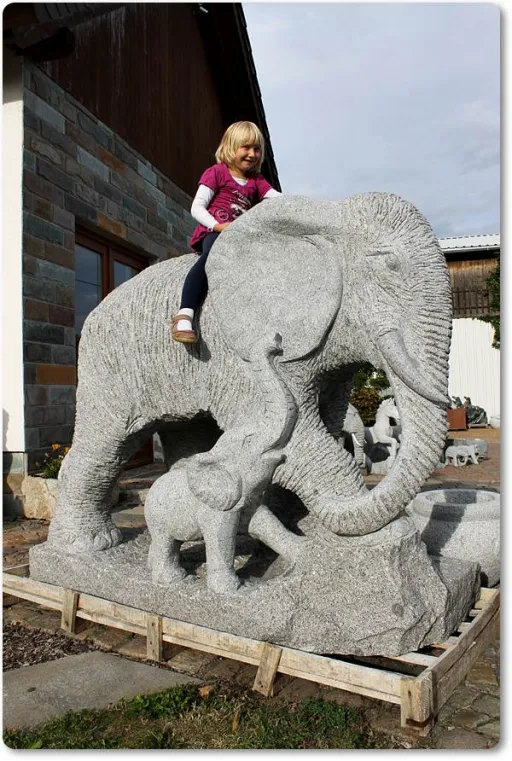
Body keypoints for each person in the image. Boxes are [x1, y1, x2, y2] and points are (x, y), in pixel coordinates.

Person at [171, 121, 281, 344]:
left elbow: (277, 199)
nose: (252, 154)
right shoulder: (217, 173)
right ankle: (185, 314)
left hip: (241, 238)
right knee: (209, 261)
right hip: (216, 232)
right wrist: (218, 226)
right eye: (246, 147)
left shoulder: (256, 181)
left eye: (257, 149)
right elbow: (197, 207)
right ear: (231, 147)